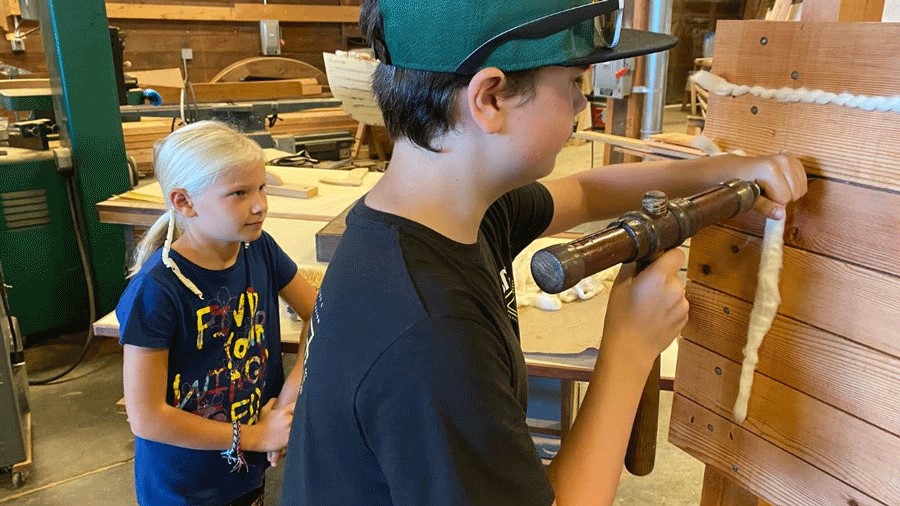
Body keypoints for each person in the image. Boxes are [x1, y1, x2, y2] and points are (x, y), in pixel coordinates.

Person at [280, 1, 807, 505]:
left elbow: (586, 194)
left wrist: (727, 170)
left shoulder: (440, 215)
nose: (583, 105)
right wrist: (629, 346)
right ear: (490, 98)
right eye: (573, 84)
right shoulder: (432, 336)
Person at [117, 121, 317, 505]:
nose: (260, 204)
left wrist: (286, 406)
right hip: (184, 488)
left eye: (261, 187)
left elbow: (318, 314)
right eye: (239, 193)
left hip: (246, 473)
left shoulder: (258, 249)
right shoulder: (157, 290)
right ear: (184, 202)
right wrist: (256, 435)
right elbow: (147, 417)